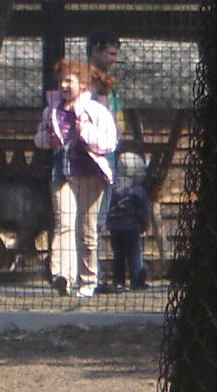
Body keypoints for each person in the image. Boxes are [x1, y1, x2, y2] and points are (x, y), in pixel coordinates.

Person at [34, 58, 118, 298]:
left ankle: (87, 280)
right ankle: (63, 276)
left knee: (87, 229)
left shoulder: (97, 111)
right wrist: (46, 140)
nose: (62, 85)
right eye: (60, 81)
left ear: (82, 84)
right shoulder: (52, 111)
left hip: (91, 174)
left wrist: (86, 132)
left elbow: (109, 143)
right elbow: (38, 139)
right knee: (64, 224)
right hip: (63, 174)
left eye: (68, 81)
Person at [87, 33, 123, 238]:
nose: (113, 59)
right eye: (110, 53)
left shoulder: (108, 83)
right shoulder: (84, 79)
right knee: (92, 213)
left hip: (109, 148)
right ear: (95, 51)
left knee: (101, 214)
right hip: (92, 151)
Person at [104, 151, 152, 291]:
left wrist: (108, 222)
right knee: (134, 254)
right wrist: (145, 224)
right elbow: (144, 208)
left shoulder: (112, 187)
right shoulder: (138, 189)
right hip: (132, 227)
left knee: (118, 255)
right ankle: (136, 281)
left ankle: (118, 281)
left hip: (115, 227)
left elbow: (107, 205)